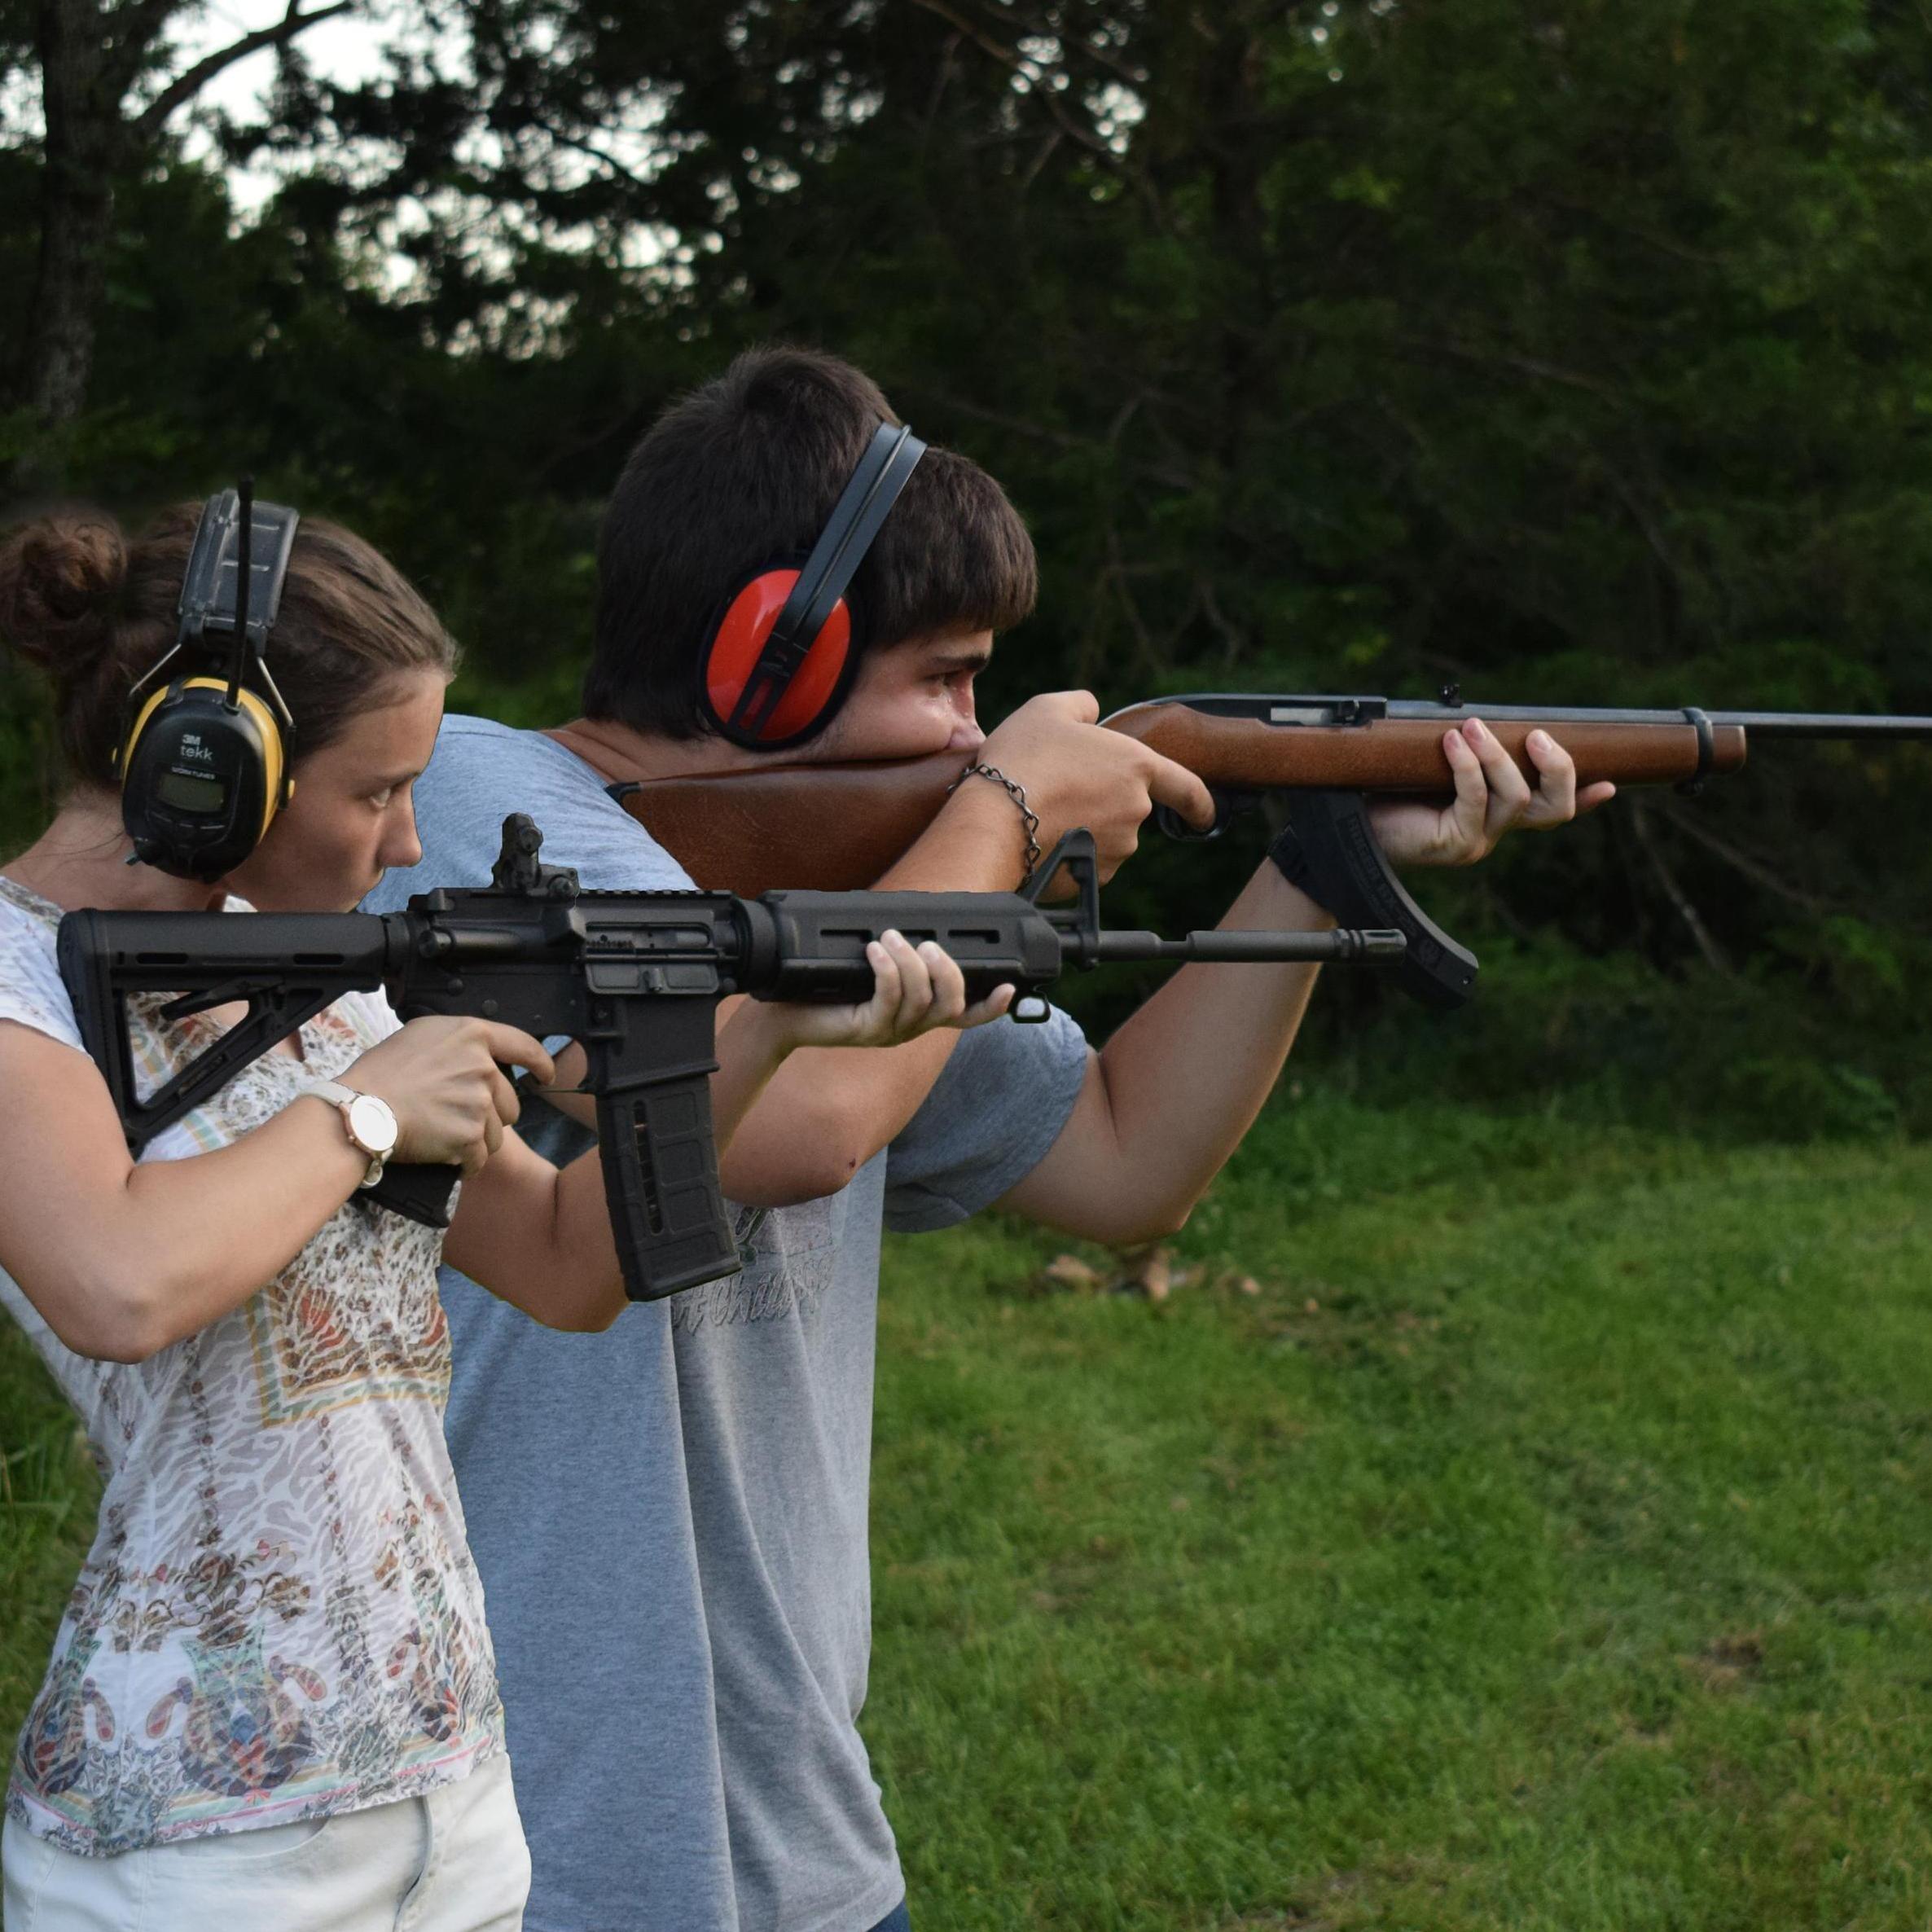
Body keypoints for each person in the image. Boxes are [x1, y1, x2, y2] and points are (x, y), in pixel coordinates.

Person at [366, 345, 1614, 1932]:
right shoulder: (467, 804)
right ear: (771, 663)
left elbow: (1124, 1160)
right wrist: (1006, 821)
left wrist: (1320, 860)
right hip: (514, 1852)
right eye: (949, 678)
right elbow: (796, 1115)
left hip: (800, 1847)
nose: (975, 731)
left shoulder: (875, 902)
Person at [0, 499, 1004, 1932]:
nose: (411, 843)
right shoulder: (19, 991)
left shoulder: (311, 987)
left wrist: (767, 1027)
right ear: (216, 774)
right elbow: (117, 1283)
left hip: (453, 1795)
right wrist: (363, 1112)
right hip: (200, 1849)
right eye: (375, 792)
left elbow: (567, 1265)